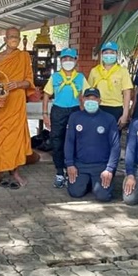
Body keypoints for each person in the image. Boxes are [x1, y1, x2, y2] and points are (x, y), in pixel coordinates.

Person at [0, 27, 35, 188]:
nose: (14, 39)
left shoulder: (23, 56)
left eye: (16, 37)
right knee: (0, 137)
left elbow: (29, 80)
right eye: (11, 37)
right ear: (5, 39)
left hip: (17, 100)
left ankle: (15, 172)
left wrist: (18, 84)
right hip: (2, 102)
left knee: (16, 138)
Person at [42, 48, 89, 188]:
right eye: (64, 59)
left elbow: (86, 96)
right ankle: (59, 172)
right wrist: (45, 114)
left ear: (76, 60)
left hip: (75, 111)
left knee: (74, 141)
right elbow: (46, 94)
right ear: (60, 61)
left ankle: (71, 170)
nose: (67, 62)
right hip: (58, 111)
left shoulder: (80, 77)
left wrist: (86, 113)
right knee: (57, 141)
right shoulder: (55, 77)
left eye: (70, 59)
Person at [64, 88, 120, 202]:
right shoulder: (75, 117)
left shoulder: (109, 118)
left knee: (103, 197)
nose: (91, 101)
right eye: (88, 98)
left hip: (101, 166)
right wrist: (70, 164)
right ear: (83, 100)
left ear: (100, 101)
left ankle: (95, 183)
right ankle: (88, 182)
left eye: (94, 99)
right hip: (80, 165)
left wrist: (109, 169)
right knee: (75, 193)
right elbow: (69, 141)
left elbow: (115, 146)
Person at [88, 41, 133, 127]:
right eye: (106, 53)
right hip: (98, 107)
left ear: (116, 54)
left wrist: (125, 114)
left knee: (113, 137)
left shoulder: (122, 71)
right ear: (102, 54)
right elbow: (89, 92)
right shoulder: (94, 71)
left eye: (112, 53)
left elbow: (127, 93)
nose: (109, 55)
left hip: (116, 108)